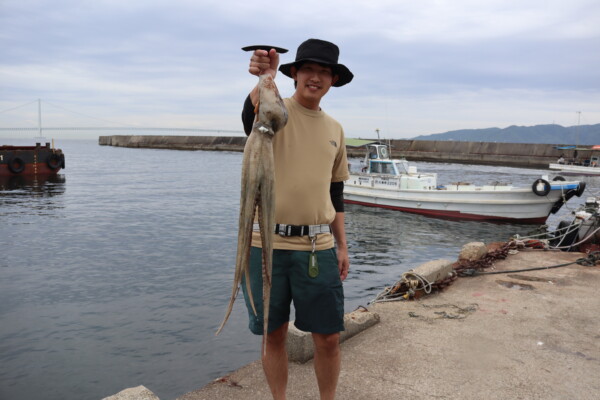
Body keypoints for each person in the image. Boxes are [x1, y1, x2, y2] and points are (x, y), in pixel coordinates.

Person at [240, 38, 353, 400]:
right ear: (295, 74)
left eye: (324, 72)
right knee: (273, 334)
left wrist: (342, 246)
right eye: (309, 69)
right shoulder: (276, 112)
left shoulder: (335, 129)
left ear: (333, 80)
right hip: (265, 246)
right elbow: (251, 118)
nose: (315, 77)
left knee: (329, 337)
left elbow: (335, 194)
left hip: (316, 246)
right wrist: (263, 79)